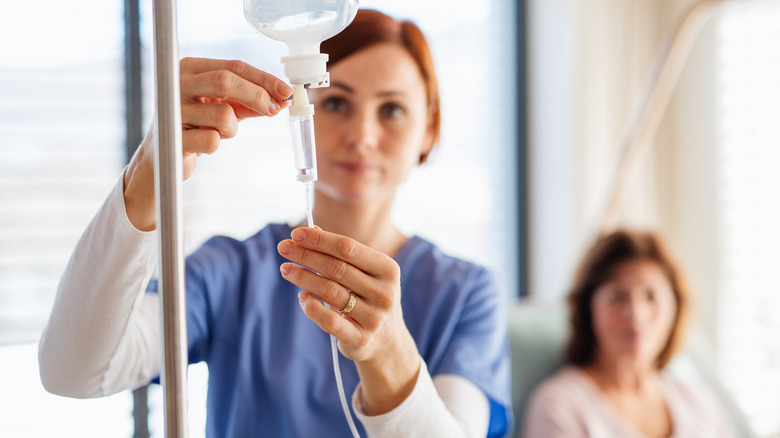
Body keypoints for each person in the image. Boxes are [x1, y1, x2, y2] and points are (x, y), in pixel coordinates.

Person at [37, 9, 511, 438]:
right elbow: (73, 370)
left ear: (428, 128)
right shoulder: (233, 271)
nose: (362, 136)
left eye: (392, 110)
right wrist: (147, 176)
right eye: (336, 103)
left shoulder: (464, 294)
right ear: (301, 106)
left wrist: (388, 352)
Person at [522, 230, 735, 438]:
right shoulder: (561, 406)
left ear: (675, 308)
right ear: (588, 309)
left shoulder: (699, 405)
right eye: (617, 297)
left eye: (651, 296)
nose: (635, 315)